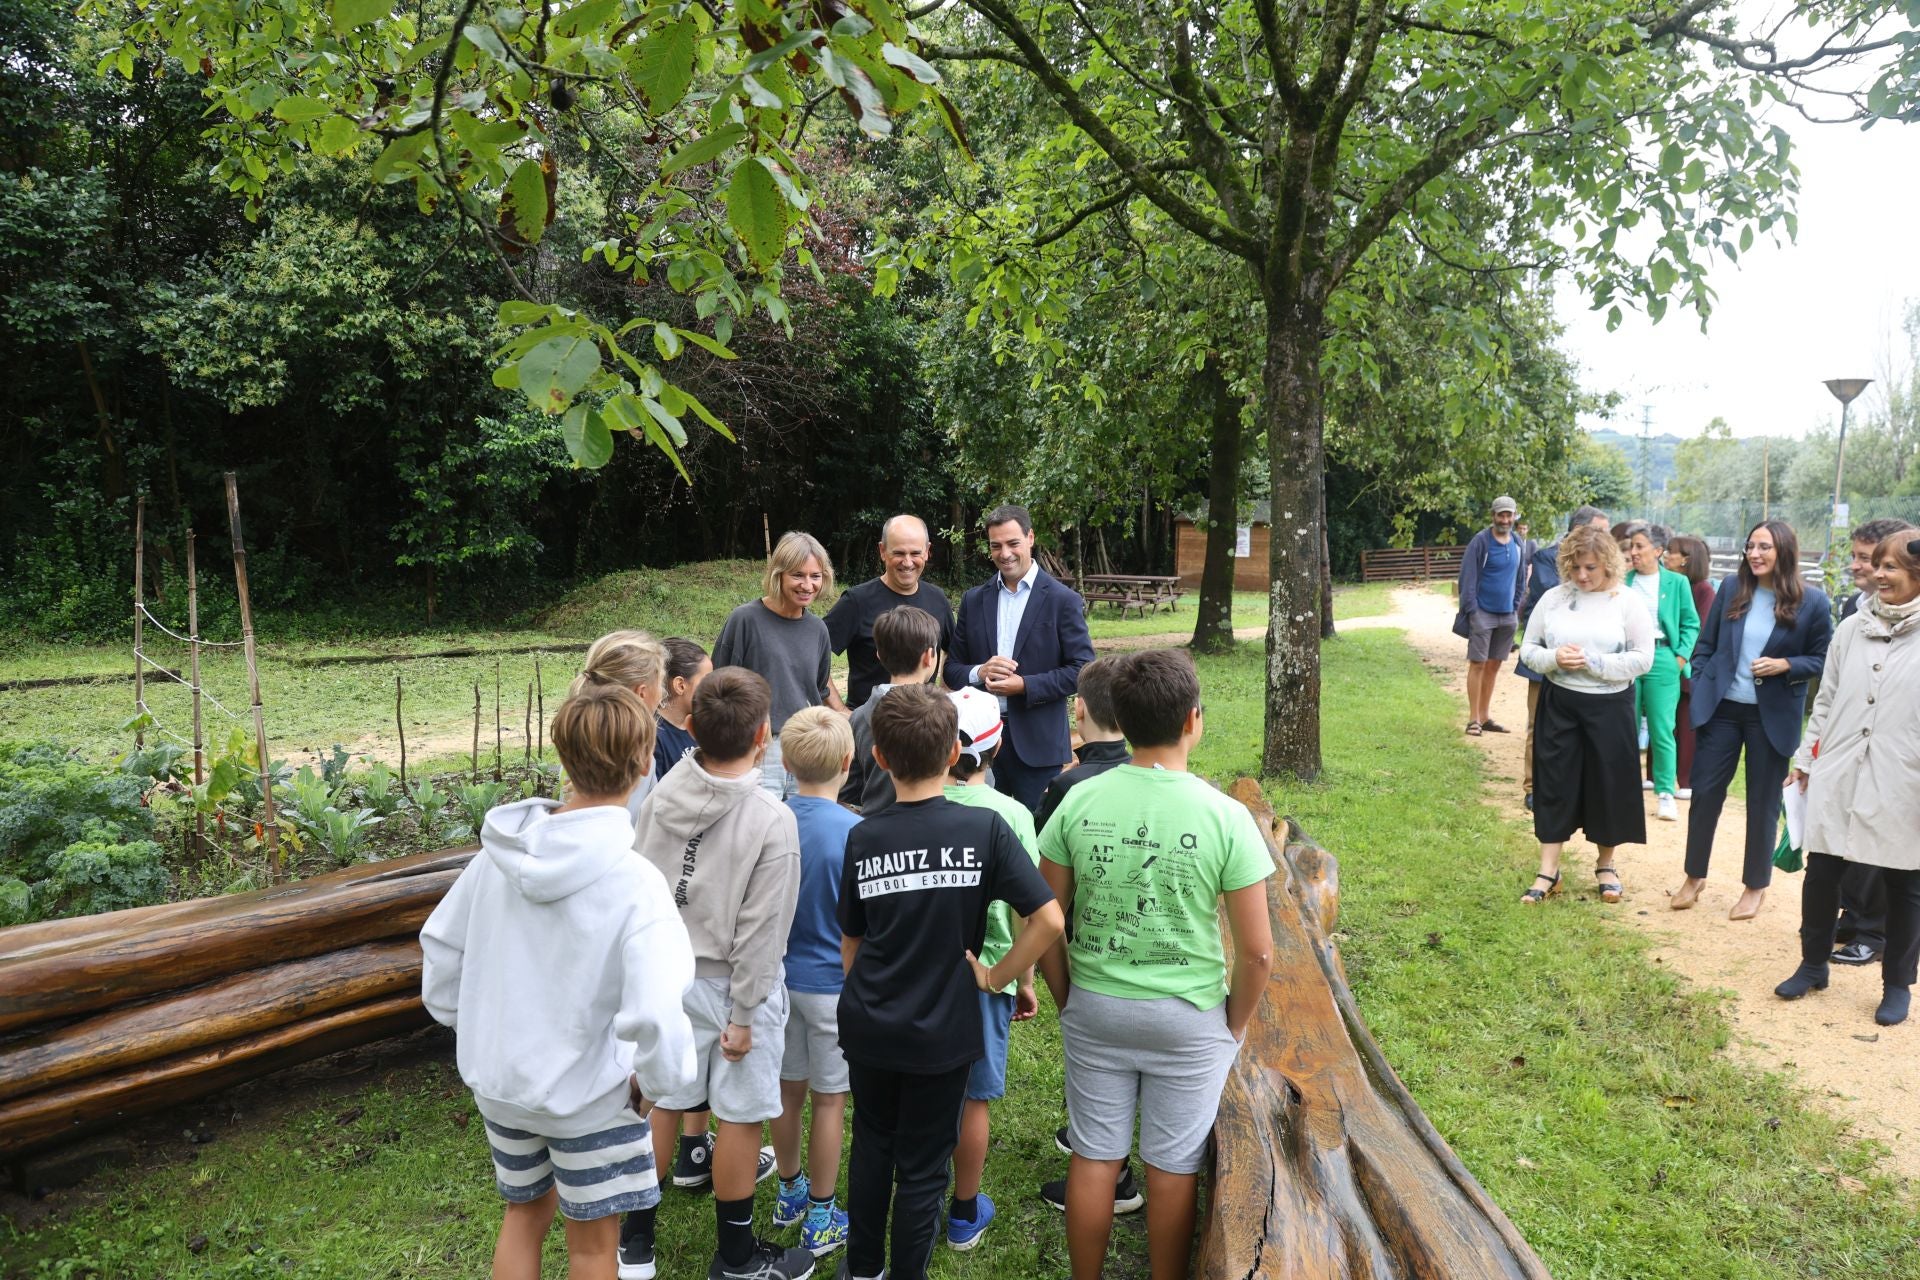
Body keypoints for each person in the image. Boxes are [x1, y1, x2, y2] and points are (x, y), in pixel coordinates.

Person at [420, 681, 697, 1280]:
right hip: (593, 1099)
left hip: (503, 1084)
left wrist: (474, 1028)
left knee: (524, 1214)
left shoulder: (495, 860)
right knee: (593, 1248)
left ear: (562, 758)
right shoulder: (635, 883)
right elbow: (657, 1010)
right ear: (645, 763)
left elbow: (441, 947)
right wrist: (657, 1082)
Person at [1036, 649, 1275, 1280]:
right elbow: (1257, 951)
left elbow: (1045, 918)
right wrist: (1232, 1025)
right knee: (1173, 1166)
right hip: (1190, 1018)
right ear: (1193, 719)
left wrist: (1068, 998)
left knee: (1094, 1156)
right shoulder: (1226, 816)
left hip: (1096, 1007)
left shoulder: (1077, 802)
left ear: (1118, 720)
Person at [836, 683, 1065, 1280]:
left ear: (878, 757)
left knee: (872, 1145)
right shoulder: (986, 829)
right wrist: (996, 977)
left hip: (871, 1023)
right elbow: (1048, 919)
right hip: (943, 1029)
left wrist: (869, 998)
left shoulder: (863, 836)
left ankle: (864, 1269)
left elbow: (852, 943)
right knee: (922, 1168)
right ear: (953, 754)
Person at [627, 667, 807, 1280]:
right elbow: (763, 929)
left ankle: (635, 1244)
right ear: (763, 734)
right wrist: (747, 1014)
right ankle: (735, 1257)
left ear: (692, 726)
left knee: (662, 1100)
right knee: (739, 1115)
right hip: (733, 988)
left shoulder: (660, 796)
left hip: (666, 978)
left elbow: (643, 891)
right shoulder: (772, 819)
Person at [1773, 532, 1920, 1026]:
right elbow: (1827, 699)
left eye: (1890, 567)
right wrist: (1806, 758)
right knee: (1822, 870)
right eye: (1877, 565)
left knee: (1905, 881)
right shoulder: (1852, 628)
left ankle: (1897, 985)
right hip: (1839, 766)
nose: (1878, 574)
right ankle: (1813, 965)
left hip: (1905, 776)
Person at [1674, 520, 1831, 922]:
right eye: (1751, 546)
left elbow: (1823, 659)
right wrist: (1703, 680)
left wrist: (1786, 664)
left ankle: (1754, 886)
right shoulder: (1732, 588)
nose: (1755, 554)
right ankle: (1694, 876)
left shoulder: (1813, 601)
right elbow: (1706, 645)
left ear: (1784, 551)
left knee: (1763, 804)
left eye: (1764, 547)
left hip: (1771, 717)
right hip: (1722, 711)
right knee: (1705, 794)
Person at [938, 686, 1042, 1251]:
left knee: (926, 1088)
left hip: (920, 971)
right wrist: (1022, 979)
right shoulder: (1014, 815)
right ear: (997, 746)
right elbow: (1031, 910)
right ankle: (962, 1211)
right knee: (973, 1098)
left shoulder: (916, 804)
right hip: (988, 973)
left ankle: (922, 1192)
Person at [1516, 524, 1653, 905]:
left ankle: (1606, 866)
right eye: (1575, 567)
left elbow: (1643, 658)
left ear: (1608, 563)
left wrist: (1596, 662)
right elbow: (1528, 649)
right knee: (1554, 783)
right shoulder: (1554, 599)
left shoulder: (1626, 601)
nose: (1581, 575)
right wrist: (1553, 658)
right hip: (1560, 703)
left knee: (1608, 785)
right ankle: (1549, 871)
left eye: (1590, 567)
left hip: (1610, 706)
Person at [768, 708, 857, 1260]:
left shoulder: (769, 819)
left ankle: (790, 1190)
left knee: (786, 1091)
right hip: (831, 987)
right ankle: (821, 1215)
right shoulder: (855, 832)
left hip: (776, 982)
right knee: (829, 1100)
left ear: (784, 761)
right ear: (849, 761)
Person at [946, 505, 1096, 810]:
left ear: (1030, 538)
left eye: (1012, 543)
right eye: (996, 546)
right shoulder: (974, 600)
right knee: (981, 829)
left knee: (1037, 829)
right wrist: (979, 672)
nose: (1004, 554)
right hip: (977, 742)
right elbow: (951, 670)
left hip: (1038, 744)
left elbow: (1082, 670)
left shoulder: (1063, 600)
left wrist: (1025, 686)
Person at [1828, 518, 1916, 965]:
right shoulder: (1855, 609)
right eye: (1863, 558)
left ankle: (1875, 932)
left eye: (1874, 560)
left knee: (1886, 847)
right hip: (1854, 746)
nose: (1863, 567)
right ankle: (1854, 915)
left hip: (1899, 753)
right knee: (1850, 839)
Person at [714, 531, 847, 799]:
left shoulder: (818, 629)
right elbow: (717, 684)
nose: (807, 585)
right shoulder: (745, 620)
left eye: (815, 576)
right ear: (779, 574)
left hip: (805, 744)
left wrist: (844, 717)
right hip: (758, 745)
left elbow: (818, 689)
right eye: (798, 575)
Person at [1515, 506, 1611, 811]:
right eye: (1599, 531)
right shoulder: (1546, 558)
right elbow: (1554, 594)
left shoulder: (1606, 571)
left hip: (1586, 663)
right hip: (1545, 655)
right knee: (1538, 724)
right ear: (1579, 531)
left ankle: (1574, 787)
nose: (1605, 538)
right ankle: (1533, 786)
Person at [824, 515, 956, 711]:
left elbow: (954, 650)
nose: (907, 562)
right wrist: (840, 711)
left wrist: (945, 692)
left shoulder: (938, 599)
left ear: (927, 551)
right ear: (882, 551)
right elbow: (814, 652)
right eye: (899, 553)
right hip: (869, 722)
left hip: (923, 721)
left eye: (915, 553)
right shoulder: (856, 601)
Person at [1622, 522, 1699, 823]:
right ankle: (1624, 788)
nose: (1633, 552)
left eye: (1639, 546)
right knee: (1624, 725)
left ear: (1657, 550)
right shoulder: (1622, 581)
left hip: (1663, 656)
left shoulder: (1677, 583)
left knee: (1662, 727)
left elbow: (1691, 623)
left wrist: (1680, 657)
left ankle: (1666, 792)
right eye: (1631, 546)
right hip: (1627, 657)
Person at [840, 605, 944, 814]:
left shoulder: (859, 717)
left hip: (875, 823)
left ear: (879, 654)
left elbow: (850, 790)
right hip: (932, 823)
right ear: (929, 656)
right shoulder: (944, 713)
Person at [573, 630, 668, 824]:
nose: (663, 693)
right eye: (661, 683)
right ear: (641, 693)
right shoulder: (637, 754)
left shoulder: (578, 732)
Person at [1034, 655, 1132, 832]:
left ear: (1079, 708)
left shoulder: (1067, 785)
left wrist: (1048, 795)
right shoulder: (1148, 773)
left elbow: (1040, 840)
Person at [1456, 496, 1526, 736]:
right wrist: (1473, 611)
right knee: (1478, 664)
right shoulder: (1480, 542)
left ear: (1515, 516)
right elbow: (1467, 579)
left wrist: (1515, 607)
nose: (1505, 520)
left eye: (1509, 515)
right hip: (1483, 613)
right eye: (1501, 515)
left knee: (1494, 665)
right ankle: (1473, 719)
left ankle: (1485, 717)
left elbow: (1520, 578)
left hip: (1507, 615)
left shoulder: (1517, 542)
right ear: (1493, 516)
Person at [1659, 535, 1717, 800]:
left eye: (1671, 552)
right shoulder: (1669, 584)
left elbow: (1700, 630)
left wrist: (1680, 659)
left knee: (1685, 724)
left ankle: (1686, 780)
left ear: (1686, 559)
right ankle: (1657, 777)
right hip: (1667, 662)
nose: (1666, 556)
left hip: (1688, 667)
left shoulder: (1703, 590)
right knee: (1664, 723)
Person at [653, 638, 711, 785]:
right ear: (680, 685)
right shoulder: (654, 738)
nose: (712, 688)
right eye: (706, 681)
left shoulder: (702, 726)